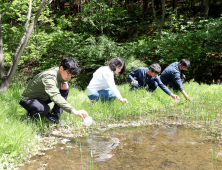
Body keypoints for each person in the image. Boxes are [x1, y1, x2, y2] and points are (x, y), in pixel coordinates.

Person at [19, 57, 88, 124]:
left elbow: (61, 80)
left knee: (65, 88)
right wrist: (73, 111)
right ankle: (31, 116)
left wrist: (65, 82)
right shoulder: (49, 77)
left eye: (71, 75)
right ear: (61, 68)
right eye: (68, 74)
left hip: (43, 97)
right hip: (29, 100)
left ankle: (54, 116)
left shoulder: (59, 71)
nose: (69, 77)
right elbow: (55, 96)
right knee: (44, 109)